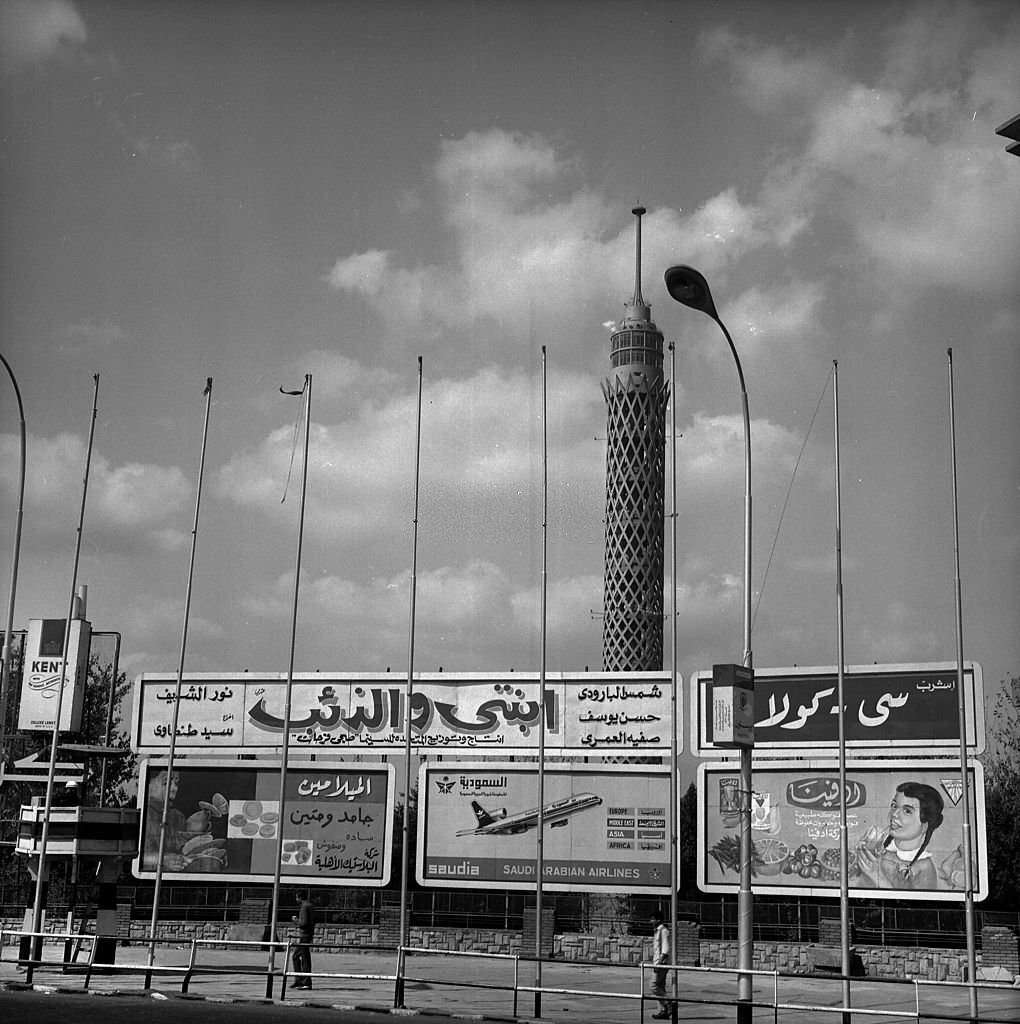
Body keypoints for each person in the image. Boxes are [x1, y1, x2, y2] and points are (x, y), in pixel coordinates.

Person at [857, 781, 944, 890]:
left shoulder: (924, 868)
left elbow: (919, 905)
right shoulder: (878, 847)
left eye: (907, 811)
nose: (894, 814)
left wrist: (877, 876)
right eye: (894, 806)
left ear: (925, 825)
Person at [142, 769, 189, 871]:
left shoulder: (178, 817)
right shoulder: (142, 815)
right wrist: (162, 860)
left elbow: (184, 851)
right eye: (166, 783)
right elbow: (131, 856)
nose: (174, 789)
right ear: (149, 785)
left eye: (176, 783)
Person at [291, 891, 316, 989]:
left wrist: (296, 920)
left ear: (300, 897)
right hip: (307, 935)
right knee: (298, 957)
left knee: (303, 958)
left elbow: (304, 923)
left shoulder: (305, 907)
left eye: (296, 898)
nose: (296, 900)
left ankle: (305, 981)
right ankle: (300, 980)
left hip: (305, 935)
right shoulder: (309, 906)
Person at [650, 911, 671, 1019]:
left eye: (653, 919)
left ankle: (669, 1003)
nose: (651, 921)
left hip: (661, 963)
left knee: (653, 986)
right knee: (660, 986)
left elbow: (665, 949)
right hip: (658, 962)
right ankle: (663, 1011)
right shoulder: (657, 931)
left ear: (658, 920)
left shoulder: (663, 931)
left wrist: (658, 963)